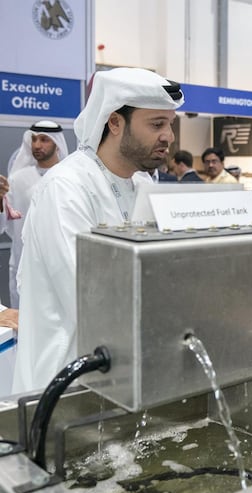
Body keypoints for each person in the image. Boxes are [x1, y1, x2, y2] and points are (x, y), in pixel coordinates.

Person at [12, 67, 183, 393]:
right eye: (157, 124)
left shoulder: (142, 183)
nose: (169, 137)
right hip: (67, 379)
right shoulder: (66, 187)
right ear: (115, 122)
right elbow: (86, 296)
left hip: (125, 374)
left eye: (170, 125)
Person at [5, 120, 69, 308]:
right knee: (23, 324)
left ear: (57, 143)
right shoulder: (18, 179)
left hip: (59, 264)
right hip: (22, 261)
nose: (37, 145)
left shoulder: (68, 177)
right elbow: (6, 221)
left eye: (44, 139)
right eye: (33, 139)